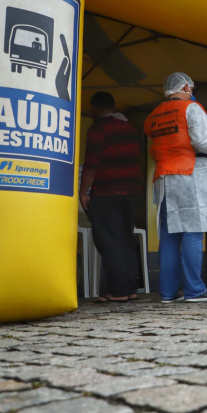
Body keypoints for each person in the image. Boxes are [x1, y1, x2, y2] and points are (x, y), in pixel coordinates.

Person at [145, 72, 207, 303]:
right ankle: (194, 290)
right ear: (186, 88)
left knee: (169, 236)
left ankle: (168, 293)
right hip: (189, 173)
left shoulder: (153, 115)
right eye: (191, 88)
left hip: (163, 176)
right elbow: (200, 141)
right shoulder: (192, 108)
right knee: (192, 232)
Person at [80, 91, 143, 303]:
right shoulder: (130, 128)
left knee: (109, 241)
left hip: (107, 193)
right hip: (131, 194)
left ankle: (118, 291)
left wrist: (83, 191)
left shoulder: (98, 129)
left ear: (94, 108)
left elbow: (91, 164)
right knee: (125, 240)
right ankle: (130, 289)